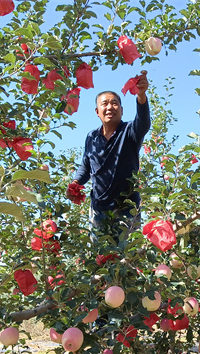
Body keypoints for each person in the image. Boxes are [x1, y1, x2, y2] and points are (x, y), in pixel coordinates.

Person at [67, 71, 151, 238]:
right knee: (99, 253)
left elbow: (143, 123)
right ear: (97, 111)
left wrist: (141, 96)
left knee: (126, 251)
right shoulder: (91, 137)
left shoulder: (130, 131)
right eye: (104, 104)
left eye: (114, 103)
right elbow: (86, 166)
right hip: (98, 210)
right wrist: (76, 182)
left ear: (121, 110)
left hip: (127, 208)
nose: (110, 107)